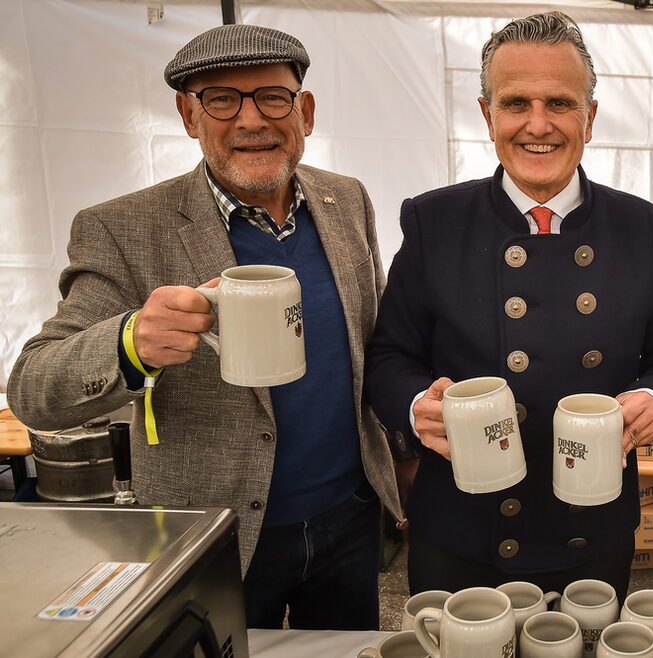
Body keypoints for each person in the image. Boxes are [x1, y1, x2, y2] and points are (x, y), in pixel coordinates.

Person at [7, 24, 400, 630]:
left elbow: (375, 341)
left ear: (306, 112)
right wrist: (129, 342)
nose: (251, 121)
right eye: (221, 99)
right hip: (216, 530)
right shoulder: (124, 227)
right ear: (189, 116)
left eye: (273, 96)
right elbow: (33, 389)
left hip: (348, 517)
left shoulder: (346, 199)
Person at [365, 11, 653, 601]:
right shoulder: (434, 221)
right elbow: (390, 355)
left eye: (560, 103)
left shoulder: (643, 227)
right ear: (487, 114)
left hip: (590, 530)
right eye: (516, 102)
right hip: (463, 531)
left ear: (590, 117)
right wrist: (418, 404)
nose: (537, 125)